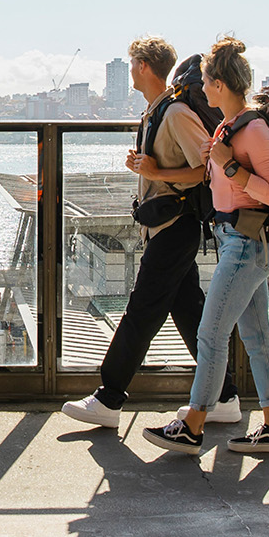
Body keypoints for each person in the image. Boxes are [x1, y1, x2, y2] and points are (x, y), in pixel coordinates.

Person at [61, 36, 240, 430]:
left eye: (131, 64)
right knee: (190, 313)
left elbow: (207, 169)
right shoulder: (155, 112)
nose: (130, 71)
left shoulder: (174, 112)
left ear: (144, 67)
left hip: (176, 227)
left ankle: (108, 398)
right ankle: (224, 396)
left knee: (140, 312)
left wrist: (156, 173)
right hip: (164, 228)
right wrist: (146, 167)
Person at [144, 37, 269, 456]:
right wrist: (215, 159)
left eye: (205, 80)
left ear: (221, 84)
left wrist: (226, 164)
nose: (200, 88)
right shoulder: (230, 126)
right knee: (257, 336)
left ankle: (192, 425)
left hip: (247, 243)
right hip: (235, 241)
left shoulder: (255, 130)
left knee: (210, 334)